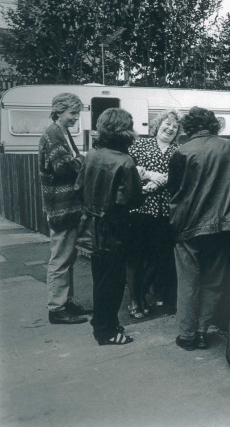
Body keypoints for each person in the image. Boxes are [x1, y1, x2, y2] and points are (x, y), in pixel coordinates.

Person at [168, 106, 230, 351]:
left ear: (188, 127)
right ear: (213, 124)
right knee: (213, 281)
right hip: (222, 225)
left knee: (188, 282)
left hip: (187, 226)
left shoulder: (181, 151)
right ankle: (203, 332)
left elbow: (174, 190)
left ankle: (187, 335)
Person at [75, 108, 143, 345]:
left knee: (101, 278)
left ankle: (105, 323)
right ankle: (106, 332)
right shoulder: (124, 161)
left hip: (92, 225)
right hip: (114, 228)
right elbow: (132, 199)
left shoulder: (92, 154)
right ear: (125, 131)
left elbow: (78, 189)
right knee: (113, 282)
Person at [38, 92, 91, 324]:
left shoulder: (61, 132)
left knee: (67, 256)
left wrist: (79, 159)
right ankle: (57, 308)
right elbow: (64, 167)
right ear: (59, 111)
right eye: (72, 113)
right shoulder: (52, 134)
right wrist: (84, 160)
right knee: (60, 257)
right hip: (60, 205)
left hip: (67, 204)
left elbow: (74, 159)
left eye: (77, 113)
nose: (75, 118)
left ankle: (66, 301)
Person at [127, 109, 181, 319]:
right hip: (139, 209)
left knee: (157, 258)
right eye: (167, 124)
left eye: (175, 127)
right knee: (135, 257)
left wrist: (161, 181)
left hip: (164, 212)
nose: (170, 129)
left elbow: (179, 176)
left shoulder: (179, 150)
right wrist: (152, 175)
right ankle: (134, 300)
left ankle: (141, 294)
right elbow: (129, 168)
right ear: (157, 126)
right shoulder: (140, 144)